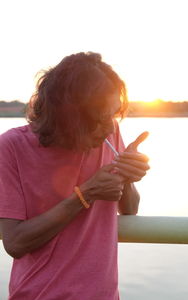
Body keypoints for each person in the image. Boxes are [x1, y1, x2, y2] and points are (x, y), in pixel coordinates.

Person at [0, 52, 149, 300]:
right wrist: (86, 193)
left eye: (113, 114)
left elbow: (130, 209)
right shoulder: (11, 147)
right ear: (68, 115)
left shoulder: (107, 133)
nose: (110, 126)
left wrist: (128, 175)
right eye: (101, 118)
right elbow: (15, 243)